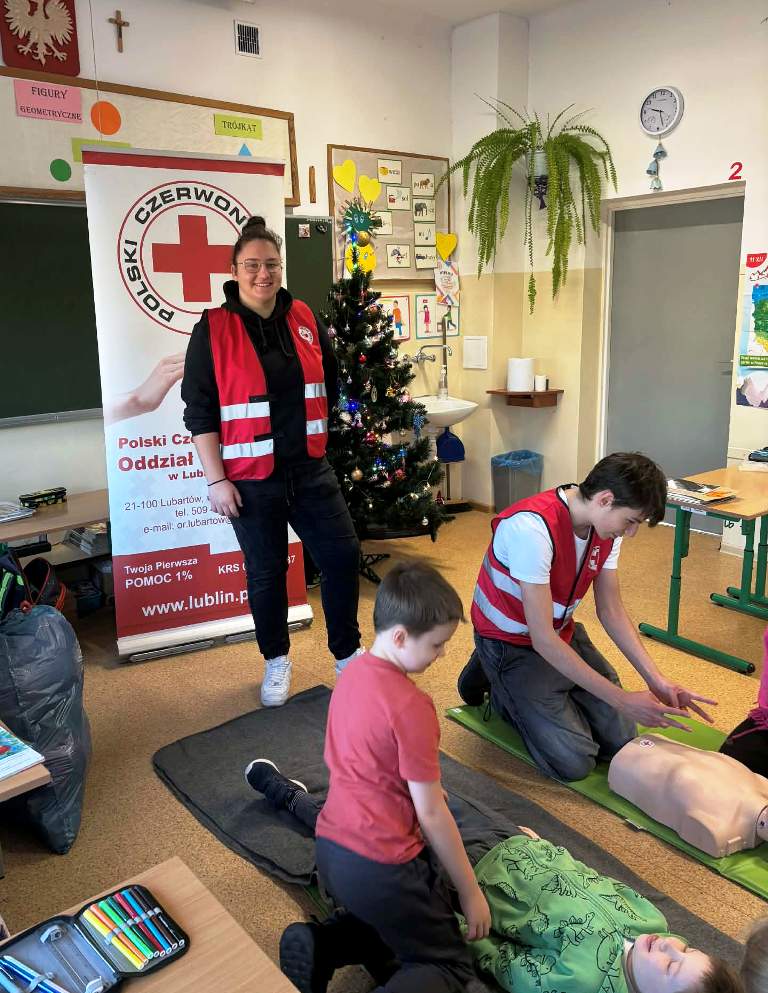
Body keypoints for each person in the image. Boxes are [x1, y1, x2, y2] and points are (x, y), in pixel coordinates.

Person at [244, 761, 743, 993]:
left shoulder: (584, 981)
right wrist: (549, 849)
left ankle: (290, 796)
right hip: (512, 844)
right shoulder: (651, 922)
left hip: (470, 879)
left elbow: (503, 961)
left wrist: (455, 924)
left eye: (673, 966)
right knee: (422, 793)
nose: (671, 947)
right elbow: (598, 882)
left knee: (373, 835)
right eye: (687, 949)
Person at [252, 561, 490, 993]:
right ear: (399, 637)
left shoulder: (351, 676)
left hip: (332, 854)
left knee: (387, 923)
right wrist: (469, 891)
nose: (441, 655)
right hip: (384, 868)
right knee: (449, 967)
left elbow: (356, 761)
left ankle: (324, 944)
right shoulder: (412, 706)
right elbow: (432, 814)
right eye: (436, 644)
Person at [181, 215, 362, 707]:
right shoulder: (212, 329)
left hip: (309, 469)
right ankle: (276, 660)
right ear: (234, 270)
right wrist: (216, 480)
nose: (263, 274)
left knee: (341, 557)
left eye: (272, 264)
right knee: (266, 573)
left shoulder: (304, 317)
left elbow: (330, 381)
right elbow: (199, 412)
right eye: (252, 265)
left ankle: (347, 654)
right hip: (250, 478)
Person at [458, 452, 717, 781]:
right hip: (510, 642)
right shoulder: (531, 528)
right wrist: (621, 700)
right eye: (631, 521)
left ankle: (537, 690)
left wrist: (657, 681)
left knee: (621, 741)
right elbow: (542, 640)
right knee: (574, 762)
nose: (631, 532)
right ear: (605, 499)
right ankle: (494, 678)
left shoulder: (604, 528)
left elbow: (610, 610)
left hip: (558, 632)